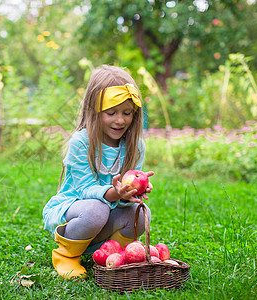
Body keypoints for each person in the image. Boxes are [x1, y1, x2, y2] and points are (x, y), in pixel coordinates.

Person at [42, 65, 154, 279]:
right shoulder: (81, 143)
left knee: (141, 213)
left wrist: (134, 193)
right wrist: (115, 194)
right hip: (77, 210)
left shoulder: (135, 145)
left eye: (127, 113)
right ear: (94, 111)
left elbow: (124, 200)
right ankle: (66, 255)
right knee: (96, 209)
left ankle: (110, 253)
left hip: (108, 212)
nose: (120, 120)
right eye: (111, 113)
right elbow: (85, 189)